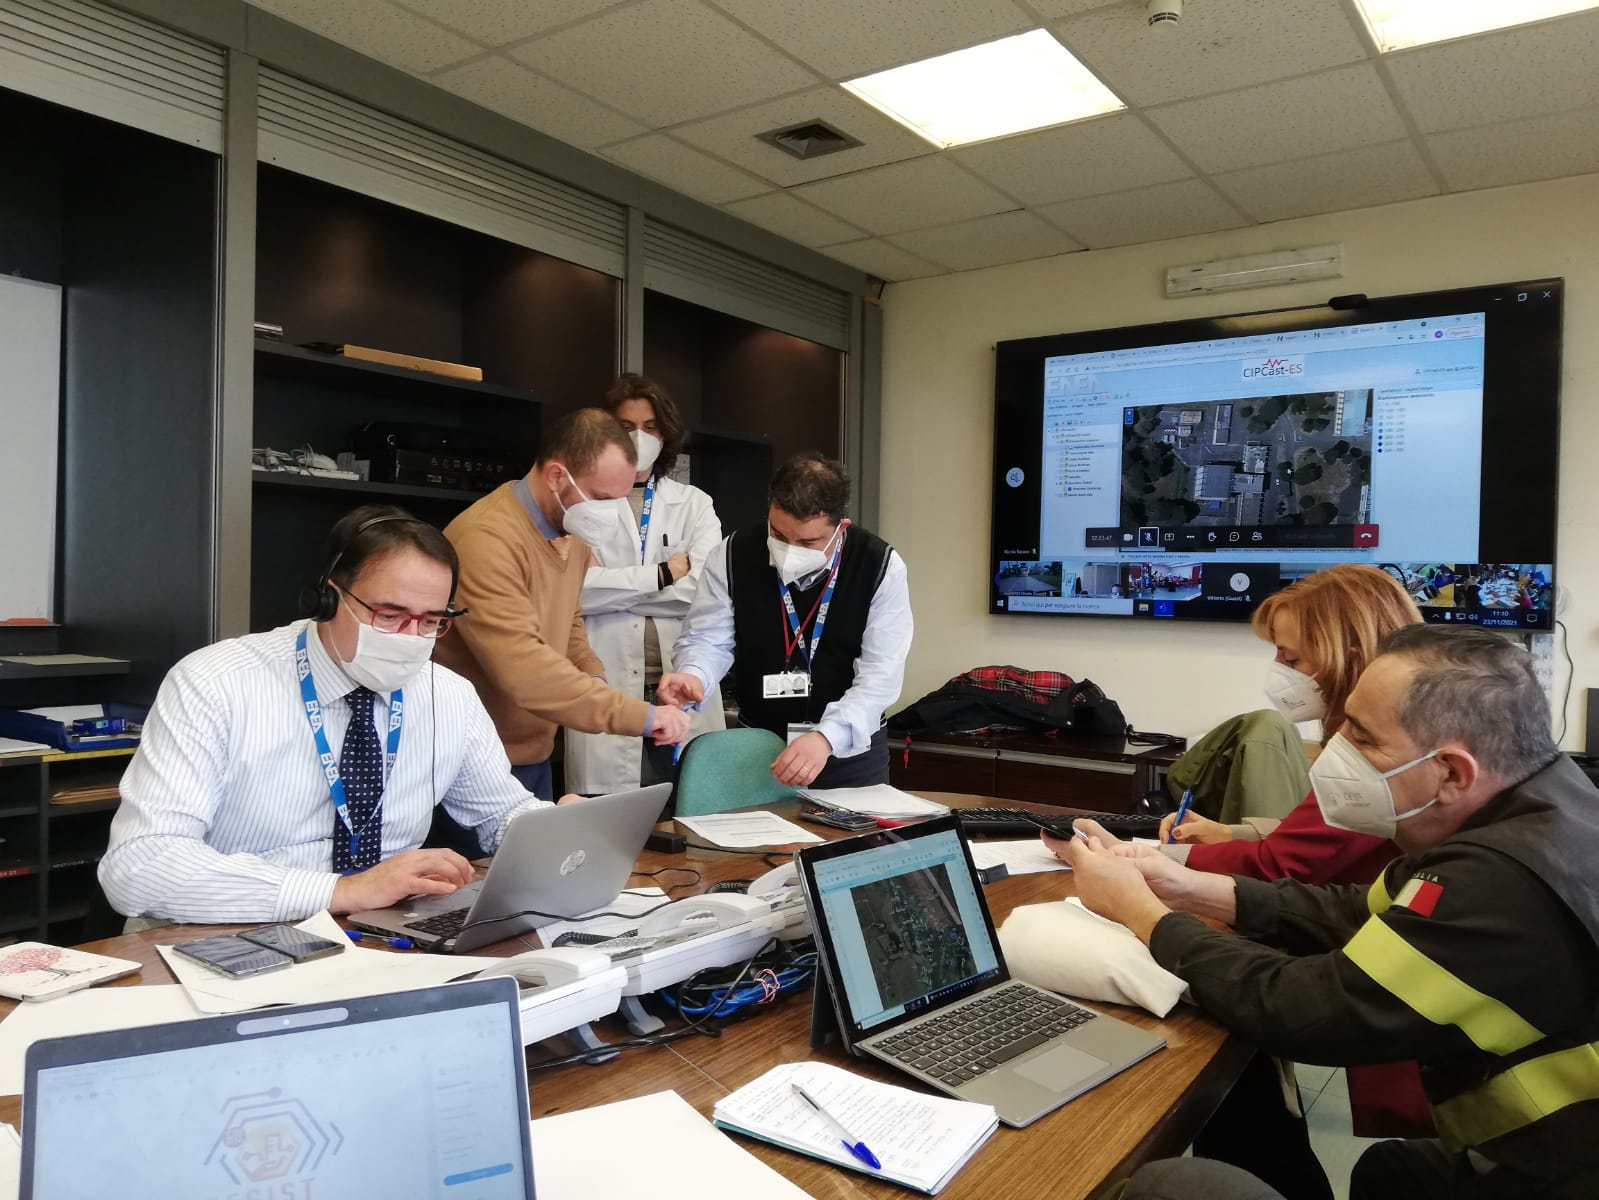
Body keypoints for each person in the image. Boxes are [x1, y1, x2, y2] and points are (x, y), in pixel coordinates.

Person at [1058, 624, 1599, 1199]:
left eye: (1363, 739)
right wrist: (1187, 886)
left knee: (1170, 1188)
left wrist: (1140, 912)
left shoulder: (1501, 884)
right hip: (1542, 1155)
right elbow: (1357, 911)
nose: (1337, 751)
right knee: (1388, 1175)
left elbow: (1304, 1011)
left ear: (1451, 772)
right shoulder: (1544, 806)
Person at [101, 506, 553, 925]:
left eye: (432, 620)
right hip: (224, 933)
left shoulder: (447, 694)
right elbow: (139, 867)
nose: (412, 637)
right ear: (328, 598)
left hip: (382, 931)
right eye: (390, 615)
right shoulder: (217, 682)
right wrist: (342, 890)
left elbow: (501, 816)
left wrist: (552, 830)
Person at [433, 409, 692, 800]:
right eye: (603, 498)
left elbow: (569, 616)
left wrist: (591, 674)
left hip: (532, 752)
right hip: (468, 763)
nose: (609, 514)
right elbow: (524, 669)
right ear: (556, 476)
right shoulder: (486, 540)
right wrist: (644, 716)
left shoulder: (571, 527)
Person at [657, 453, 912, 788]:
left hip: (848, 752)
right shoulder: (731, 554)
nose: (790, 550)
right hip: (759, 747)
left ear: (841, 528)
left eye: (808, 542)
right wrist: (694, 675)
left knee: (853, 840)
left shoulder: (880, 566)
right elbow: (708, 638)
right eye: (778, 535)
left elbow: (881, 676)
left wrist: (826, 737)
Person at [564, 375, 725, 794]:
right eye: (626, 425)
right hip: (608, 684)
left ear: (666, 434)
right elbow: (572, 593)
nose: (639, 436)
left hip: (679, 685)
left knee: (692, 812)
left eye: (650, 426)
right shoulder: (580, 502)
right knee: (607, 823)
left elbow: (702, 590)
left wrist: (613, 592)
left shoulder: (694, 503)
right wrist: (664, 573)